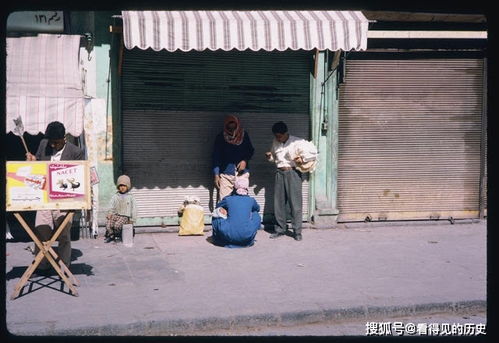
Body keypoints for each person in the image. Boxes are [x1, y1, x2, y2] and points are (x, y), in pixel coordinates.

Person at [26, 121, 85, 272]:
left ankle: (64, 267)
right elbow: (37, 167)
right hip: (44, 198)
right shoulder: (43, 144)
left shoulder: (75, 152)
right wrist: (32, 161)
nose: (52, 145)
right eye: (51, 142)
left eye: (56, 142)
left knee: (63, 234)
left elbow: (79, 177)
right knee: (41, 230)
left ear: (64, 138)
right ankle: (43, 264)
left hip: (65, 200)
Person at [265, 121, 306, 241]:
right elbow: (274, 157)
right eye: (276, 136)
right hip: (279, 173)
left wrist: (301, 160)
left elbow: (310, 157)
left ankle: (297, 231)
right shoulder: (275, 142)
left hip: (293, 173)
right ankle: (280, 229)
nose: (278, 138)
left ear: (286, 133)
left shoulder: (297, 142)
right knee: (279, 203)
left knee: (295, 203)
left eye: (280, 136)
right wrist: (269, 157)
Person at [212, 115, 255, 201]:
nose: (232, 131)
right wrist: (216, 175)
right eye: (230, 128)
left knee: (242, 200)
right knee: (225, 201)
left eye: (234, 128)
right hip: (226, 174)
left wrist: (244, 161)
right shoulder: (221, 137)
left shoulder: (244, 135)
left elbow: (250, 151)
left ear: (237, 126)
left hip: (242, 173)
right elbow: (216, 156)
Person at [211, 177, 261, 248]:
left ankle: (217, 239)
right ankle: (249, 239)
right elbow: (257, 208)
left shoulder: (228, 199)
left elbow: (218, 206)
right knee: (256, 214)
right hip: (246, 236)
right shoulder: (251, 200)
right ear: (247, 188)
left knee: (217, 212)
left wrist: (226, 210)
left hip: (229, 236)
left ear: (234, 188)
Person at [105, 175, 137, 243]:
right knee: (108, 224)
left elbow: (134, 209)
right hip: (116, 215)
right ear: (118, 187)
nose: (122, 187)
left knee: (117, 225)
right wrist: (110, 213)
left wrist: (132, 219)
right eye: (121, 185)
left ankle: (118, 235)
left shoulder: (131, 197)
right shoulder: (115, 196)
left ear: (127, 186)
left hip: (125, 217)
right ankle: (111, 235)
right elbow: (111, 206)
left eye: (124, 186)